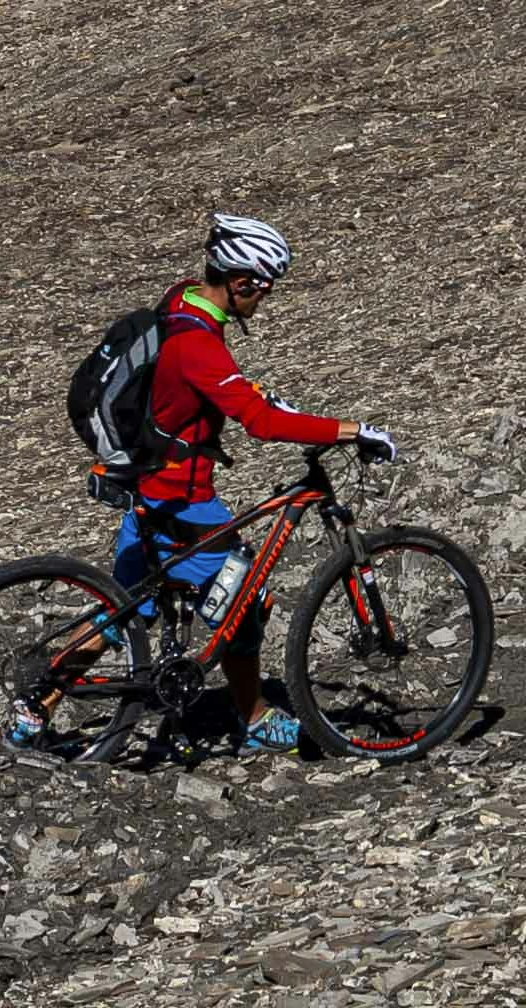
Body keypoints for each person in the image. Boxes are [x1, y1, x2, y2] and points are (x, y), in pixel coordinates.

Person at [120, 213, 399, 747]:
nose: (262, 301)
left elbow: (228, 394)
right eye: (262, 289)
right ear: (242, 281)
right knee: (248, 598)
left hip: (149, 483)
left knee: (124, 607)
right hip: (185, 498)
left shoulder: (180, 303)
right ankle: (253, 720)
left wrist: (258, 395)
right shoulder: (198, 344)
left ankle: (34, 707)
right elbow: (260, 424)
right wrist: (353, 430)